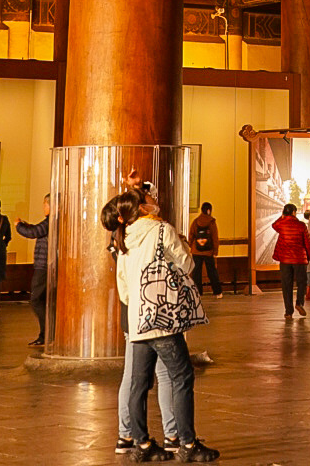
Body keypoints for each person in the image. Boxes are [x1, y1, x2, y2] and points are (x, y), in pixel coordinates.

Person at [113, 189, 219, 463]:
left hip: (137, 319)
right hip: (162, 319)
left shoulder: (124, 237)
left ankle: (142, 444)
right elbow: (187, 263)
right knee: (182, 377)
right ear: (142, 207)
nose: (155, 201)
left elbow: (122, 286)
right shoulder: (161, 230)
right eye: (149, 199)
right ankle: (186, 443)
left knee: (139, 384)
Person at [101, 195, 180, 457]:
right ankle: (171, 434)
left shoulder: (122, 239)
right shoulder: (147, 234)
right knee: (165, 374)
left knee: (133, 378)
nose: (151, 205)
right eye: (144, 202)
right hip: (153, 314)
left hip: (132, 316)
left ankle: (127, 435)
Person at [15, 193, 50, 346]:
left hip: (43, 266)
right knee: (42, 300)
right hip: (46, 266)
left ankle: (46, 334)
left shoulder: (50, 222)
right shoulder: (53, 222)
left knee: (36, 299)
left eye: (45, 204)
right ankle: (47, 333)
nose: (43, 207)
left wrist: (19, 226)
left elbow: (33, 232)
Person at [271, 203, 310, 319]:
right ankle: (299, 303)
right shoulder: (301, 225)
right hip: (299, 259)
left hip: (285, 260)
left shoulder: (281, 225)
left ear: (285, 212)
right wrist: (308, 256)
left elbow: (274, 225)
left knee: (286, 285)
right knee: (302, 283)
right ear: (294, 212)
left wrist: (282, 216)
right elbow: (307, 243)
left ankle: (288, 312)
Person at [188, 203, 223, 299]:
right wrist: (215, 251)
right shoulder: (211, 222)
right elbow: (215, 237)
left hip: (196, 251)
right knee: (212, 272)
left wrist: (191, 246)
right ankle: (217, 292)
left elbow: (191, 235)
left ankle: (198, 292)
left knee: (196, 272)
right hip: (208, 251)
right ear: (209, 210)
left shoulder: (196, 222)